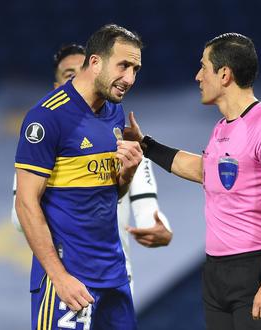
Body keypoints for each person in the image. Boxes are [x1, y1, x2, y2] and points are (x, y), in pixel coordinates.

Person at [124, 33, 261, 329]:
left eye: (203, 67)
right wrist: (146, 146)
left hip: (255, 271)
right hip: (216, 273)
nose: (197, 76)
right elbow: (205, 171)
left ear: (225, 74)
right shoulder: (222, 128)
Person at [10, 44, 172, 292]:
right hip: (68, 273)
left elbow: (147, 209)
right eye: (69, 75)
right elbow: (20, 215)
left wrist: (161, 231)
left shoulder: (122, 140)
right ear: (57, 88)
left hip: (117, 275)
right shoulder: (42, 144)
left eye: (82, 71)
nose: (78, 80)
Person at [14, 24, 145, 329]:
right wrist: (59, 278)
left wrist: (127, 174)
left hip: (113, 274)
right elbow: (25, 203)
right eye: (123, 66)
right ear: (95, 61)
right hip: (69, 277)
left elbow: (110, 195)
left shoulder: (115, 111)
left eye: (136, 69)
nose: (130, 78)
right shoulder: (47, 116)